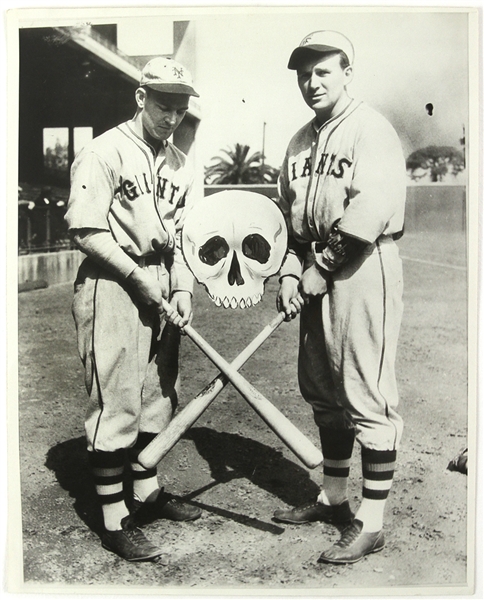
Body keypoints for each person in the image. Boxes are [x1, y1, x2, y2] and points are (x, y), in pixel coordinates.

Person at [272, 31, 406, 565]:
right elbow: (288, 219)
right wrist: (288, 271)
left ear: (347, 71)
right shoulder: (299, 140)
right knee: (322, 389)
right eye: (304, 74)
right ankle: (333, 495)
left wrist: (321, 267)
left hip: (362, 266)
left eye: (323, 71)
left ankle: (371, 524)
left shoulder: (371, 130)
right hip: (312, 270)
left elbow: (369, 213)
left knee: (365, 392)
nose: (312, 82)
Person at [65, 56, 202, 562]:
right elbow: (84, 228)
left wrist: (183, 288)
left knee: (157, 396)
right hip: (112, 281)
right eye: (164, 105)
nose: (172, 118)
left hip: (162, 279)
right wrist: (135, 274)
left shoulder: (184, 166)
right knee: (117, 399)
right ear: (142, 98)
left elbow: (188, 237)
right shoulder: (103, 151)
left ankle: (145, 493)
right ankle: (113, 518)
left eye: (180, 109)